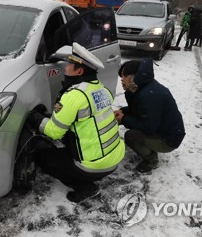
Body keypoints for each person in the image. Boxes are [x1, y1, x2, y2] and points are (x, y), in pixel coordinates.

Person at [27, 42, 125, 203]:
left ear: (79, 71)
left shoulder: (75, 95)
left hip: (94, 166)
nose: (65, 68)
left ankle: (84, 187)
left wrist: (35, 117)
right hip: (114, 157)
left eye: (69, 65)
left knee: (42, 156)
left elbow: (53, 132)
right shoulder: (103, 89)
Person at [114, 59, 185, 173]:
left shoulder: (150, 95)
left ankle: (151, 160)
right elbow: (139, 110)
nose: (122, 80)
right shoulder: (143, 87)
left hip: (169, 139)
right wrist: (123, 111)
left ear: (134, 76)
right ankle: (150, 145)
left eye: (124, 76)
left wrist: (124, 119)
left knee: (131, 136)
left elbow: (149, 127)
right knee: (134, 127)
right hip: (162, 129)